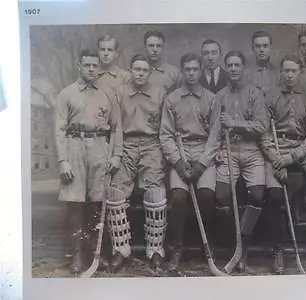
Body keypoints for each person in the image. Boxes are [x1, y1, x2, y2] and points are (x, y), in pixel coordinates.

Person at [54, 49, 123, 275]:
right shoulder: (66, 94)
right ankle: (75, 255)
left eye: (95, 65)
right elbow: (59, 130)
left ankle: (96, 252)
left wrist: (116, 155)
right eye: (87, 65)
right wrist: (63, 160)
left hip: (99, 148)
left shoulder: (107, 94)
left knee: (96, 203)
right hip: (74, 147)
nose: (92, 69)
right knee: (74, 203)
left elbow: (116, 127)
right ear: (79, 66)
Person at [261, 54, 306, 274]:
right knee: (273, 194)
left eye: (294, 71)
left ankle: (302, 198)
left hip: (301, 149)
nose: (290, 75)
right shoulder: (270, 97)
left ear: (300, 73)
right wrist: (275, 157)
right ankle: (277, 250)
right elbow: (263, 135)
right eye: (286, 71)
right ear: (281, 72)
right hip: (277, 150)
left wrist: (293, 157)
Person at [201, 50, 267, 273]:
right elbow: (215, 130)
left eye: (237, 65)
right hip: (228, 151)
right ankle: (234, 246)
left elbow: (261, 126)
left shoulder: (255, 94)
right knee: (221, 196)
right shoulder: (220, 95)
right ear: (225, 68)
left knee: (257, 195)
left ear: (244, 67)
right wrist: (212, 153)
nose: (233, 69)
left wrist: (235, 123)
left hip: (251, 151)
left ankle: (244, 247)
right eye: (229, 65)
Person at [160, 53, 216, 271]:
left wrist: (202, 164)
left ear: (201, 71)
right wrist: (178, 162)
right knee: (179, 197)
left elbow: (215, 136)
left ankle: (205, 247)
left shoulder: (211, 98)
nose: (191, 73)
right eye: (187, 69)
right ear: (182, 71)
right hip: (181, 152)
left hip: (204, 152)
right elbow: (165, 134)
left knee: (206, 196)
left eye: (195, 69)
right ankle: (176, 249)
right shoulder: (172, 98)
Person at [111, 53, 167, 271]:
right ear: (130, 70)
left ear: (149, 72)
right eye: (136, 69)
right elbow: (115, 125)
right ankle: (120, 249)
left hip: (152, 145)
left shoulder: (160, 93)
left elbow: (165, 126)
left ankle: (155, 249)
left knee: (155, 194)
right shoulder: (120, 93)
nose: (140, 73)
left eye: (144, 70)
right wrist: (117, 151)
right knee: (115, 193)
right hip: (126, 144)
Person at [247, 31, 279, 96]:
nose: (261, 50)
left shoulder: (278, 74)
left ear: (270, 47)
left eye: (265, 46)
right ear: (253, 49)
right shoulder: (246, 74)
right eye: (258, 46)